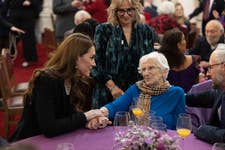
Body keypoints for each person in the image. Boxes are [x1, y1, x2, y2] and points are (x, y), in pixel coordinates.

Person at [8, 33, 109, 142]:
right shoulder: (46, 80)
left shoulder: (76, 79)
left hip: (57, 140)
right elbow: (50, 128)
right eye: (91, 57)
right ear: (75, 58)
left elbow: (70, 117)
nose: (94, 63)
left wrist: (91, 120)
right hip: (30, 143)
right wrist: (87, 116)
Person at [92, 52, 185, 130]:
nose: (146, 73)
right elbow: (115, 106)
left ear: (164, 71)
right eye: (143, 69)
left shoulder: (176, 93)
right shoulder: (136, 88)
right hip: (137, 139)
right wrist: (98, 113)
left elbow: (181, 125)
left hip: (164, 142)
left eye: (151, 68)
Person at [92, 0, 157, 108]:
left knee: (137, 124)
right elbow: (95, 64)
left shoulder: (146, 31)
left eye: (130, 10)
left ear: (136, 9)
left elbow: (150, 63)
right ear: (114, 11)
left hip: (137, 93)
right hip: (108, 93)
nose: (126, 15)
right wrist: (112, 87)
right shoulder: (104, 30)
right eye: (121, 11)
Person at [186, 43, 225, 144]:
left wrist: (202, 129)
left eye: (210, 67)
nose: (208, 73)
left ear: (223, 67)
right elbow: (208, 96)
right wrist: (179, 96)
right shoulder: (221, 89)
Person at [158, 28, 200, 93]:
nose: (185, 41)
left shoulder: (161, 66)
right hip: (192, 100)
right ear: (179, 45)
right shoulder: (194, 61)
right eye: (183, 39)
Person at [4, 0, 41, 68]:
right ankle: (10, 58)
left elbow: (38, 2)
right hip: (14, 15)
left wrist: (31, 2)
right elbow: (7, 3)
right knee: (12, 38)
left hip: (28, 16)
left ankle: (28, 59)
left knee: (28, 39)